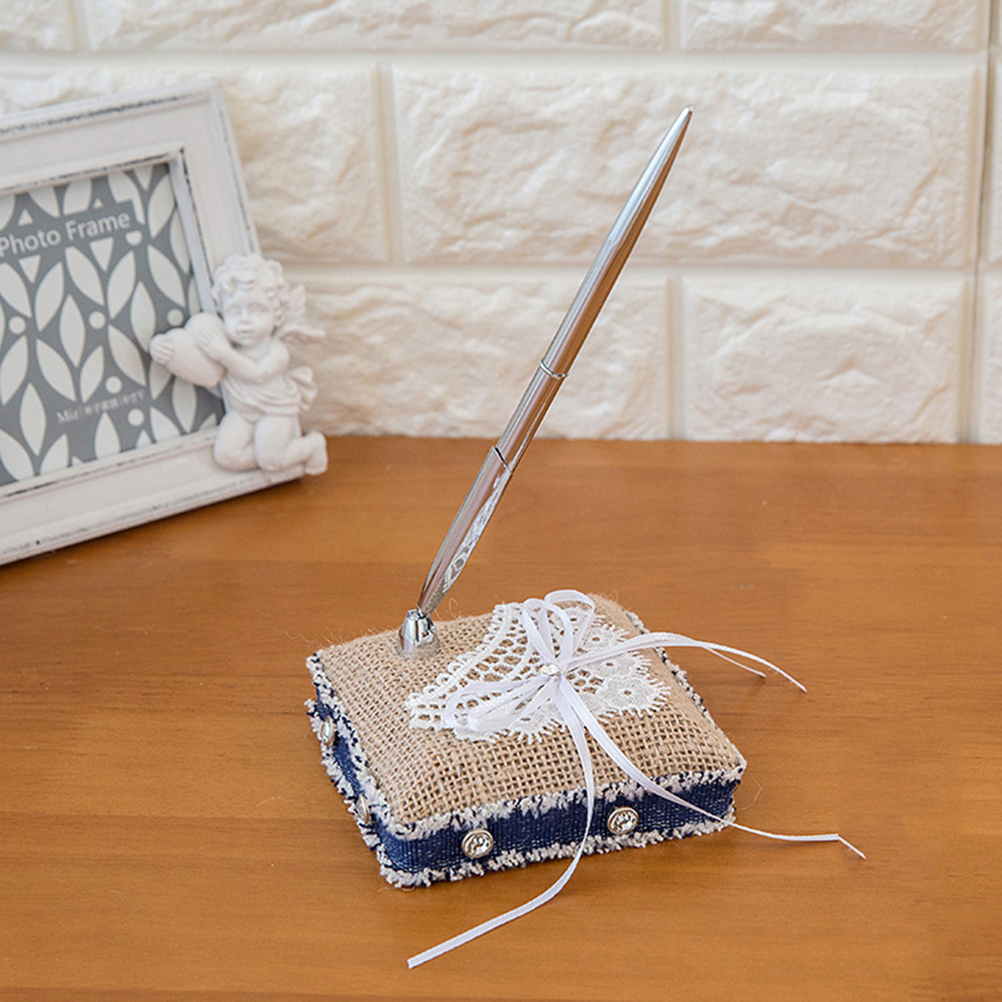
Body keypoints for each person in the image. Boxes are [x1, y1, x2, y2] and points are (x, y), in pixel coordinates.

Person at [152, 254, 327, 476]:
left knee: (271, 461)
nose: (244, 320)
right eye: (234, 311)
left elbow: (257, 374)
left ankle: (312, 445)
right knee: (225, 456)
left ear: (277, 314)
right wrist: (162, 347)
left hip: (275, 411)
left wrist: (224, 354)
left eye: (257, 310)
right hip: (243, 412)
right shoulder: (229, 345)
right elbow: (193, 355)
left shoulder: (276, 351)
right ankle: (266, 458)